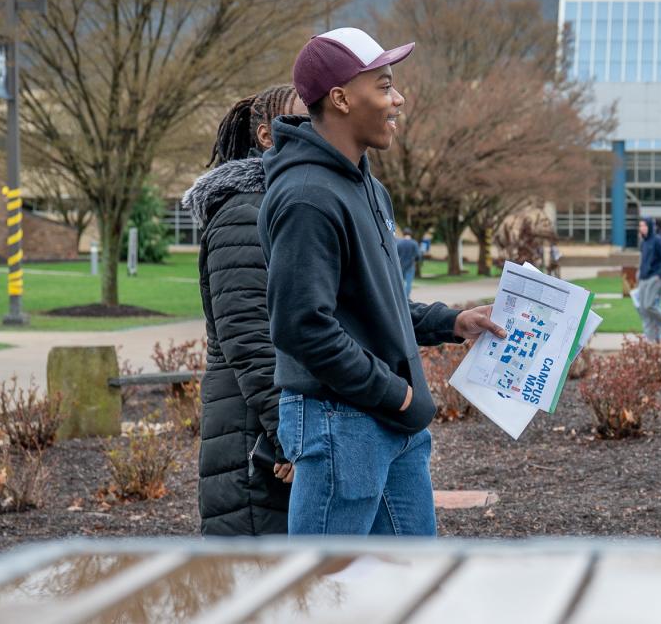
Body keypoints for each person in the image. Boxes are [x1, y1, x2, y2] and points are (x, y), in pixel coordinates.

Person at [260, 27, 505, 536]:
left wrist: (452, 321)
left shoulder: (367, 185)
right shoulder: (306, 195)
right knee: (326, 597)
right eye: (385, 85)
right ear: (342, 98)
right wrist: (395, 394)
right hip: (339, 423)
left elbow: (378, 302)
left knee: (408, 589)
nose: (399, 98)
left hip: (392, 424)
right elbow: (303, 326)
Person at [182, 84, 306, 535]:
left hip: (269, 433)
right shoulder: (245, 213)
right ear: (266, 136)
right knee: (253, 586)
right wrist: (292, 440)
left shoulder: (289, 207)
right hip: (252, 443)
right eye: (303, 120)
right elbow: (251, 341)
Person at [633, 216, 661, 341]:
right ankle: (651, 340)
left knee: (649, 305)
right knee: (643, 310)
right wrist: (639, 274)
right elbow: (643, 261)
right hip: (643, 279)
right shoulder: (643, 242)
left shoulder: (657, 240)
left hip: (655, 278)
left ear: (650, 226)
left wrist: (658, 275)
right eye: (640, 226)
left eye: (644, 225)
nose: (642, 228)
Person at [395, 228, 421, 296]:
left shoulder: (399, 243)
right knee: (408, 283)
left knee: (400, 282)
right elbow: (418, 256)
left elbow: (395, 254)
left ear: (403, 234)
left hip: (401, 265)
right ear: (410, 234)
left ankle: (400, 297)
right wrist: (415, 261)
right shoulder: (414, 243)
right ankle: (407, 297)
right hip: (410, 265)